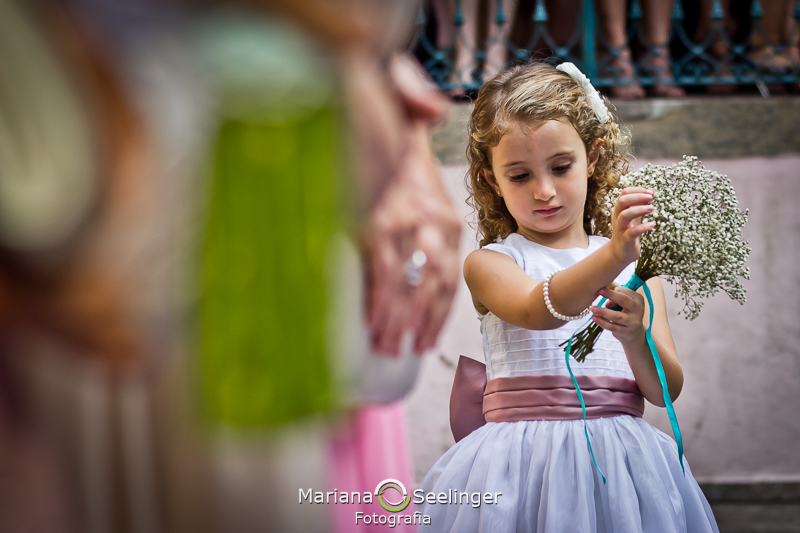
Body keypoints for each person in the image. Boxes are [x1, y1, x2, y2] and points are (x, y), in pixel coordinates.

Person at [416, 61, 718, 531]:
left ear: (593, 156)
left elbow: (664, 392)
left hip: (623, 467)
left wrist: (636, 335)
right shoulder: (492, 264)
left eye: (561, 167)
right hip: (519, 468)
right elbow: (540, 309)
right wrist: (616, 253)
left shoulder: (638, 267)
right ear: (493, 180)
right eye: (519, 175)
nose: (544, 190)